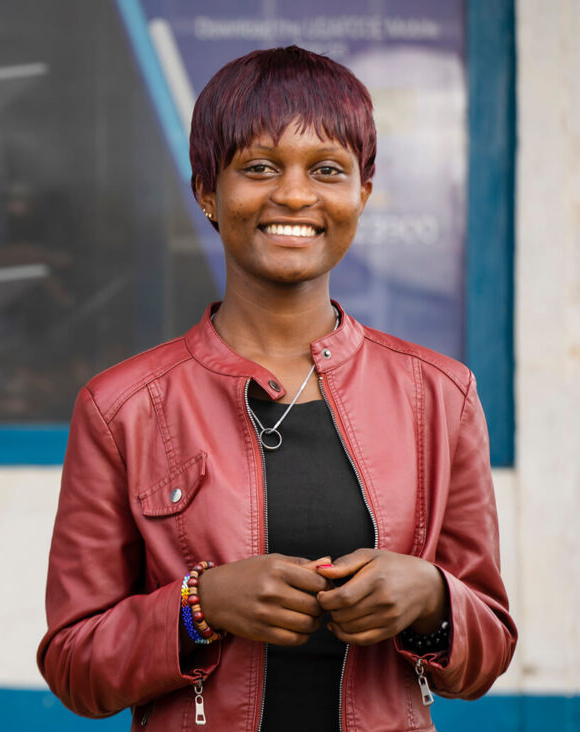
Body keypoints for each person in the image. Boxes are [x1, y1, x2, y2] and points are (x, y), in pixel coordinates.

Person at [37, 47, 516, 731]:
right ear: (207, 190)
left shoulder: (439, 395)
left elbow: (489, 650)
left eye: (327, 170)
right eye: (259, 167)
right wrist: (200, 607)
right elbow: (76, 669)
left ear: (363, 194)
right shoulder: (123, 408)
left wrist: (433, 597)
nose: (294, 195)